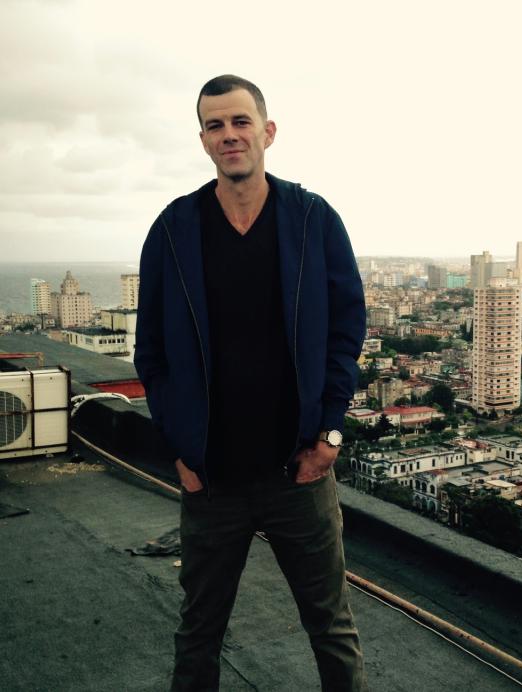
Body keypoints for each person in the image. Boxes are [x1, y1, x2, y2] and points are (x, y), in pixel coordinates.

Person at [134, 74, 367, 691]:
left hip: (299, 469)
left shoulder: (313, 219)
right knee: (199, 630)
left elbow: (348, 331)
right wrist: (179, 448)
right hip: (211, 477)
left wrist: (330, 437)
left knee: (330, 626)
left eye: (241, 122)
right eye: (215, 125)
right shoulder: (173, 229)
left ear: (267, 132)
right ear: (204, 140)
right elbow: (151, 351)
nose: (229, 135)